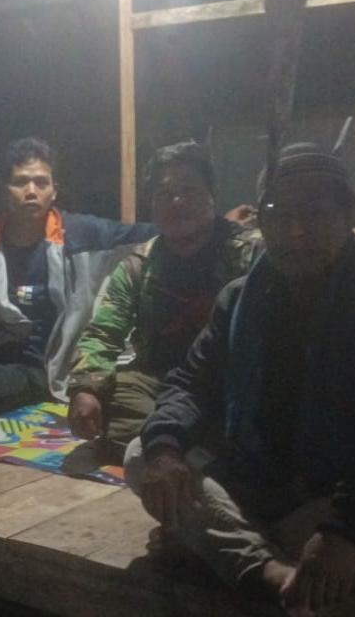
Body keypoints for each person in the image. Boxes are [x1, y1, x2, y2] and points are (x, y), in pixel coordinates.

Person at [125, 143, 355, 617]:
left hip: (338, 495)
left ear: (348, 216)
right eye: (278, 214)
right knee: (142, 455)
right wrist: (165, 449)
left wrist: (344, 531)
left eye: (314, 213)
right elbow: (190, 383)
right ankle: (268, 572)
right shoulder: (239, 299)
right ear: (262, 221)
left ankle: (222, 547)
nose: (295, 231)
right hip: (254, 478)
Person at [0, 138, 155, 413]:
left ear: (54, 191)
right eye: (21, 182)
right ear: (5, 191)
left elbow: (150, 232)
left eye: (41, 182)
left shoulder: (83, 235)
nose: (31, 191)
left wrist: (201, 221)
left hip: (48, 365)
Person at [65, 142, 259, 462]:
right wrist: (86, 387)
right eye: (165, 194)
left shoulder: (251, 256)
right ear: (152, 206)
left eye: (188, 190)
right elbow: (103, 333)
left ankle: (173, 444)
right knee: (111, 403)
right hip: (158, 380)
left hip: (230, 382)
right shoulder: (138, 264)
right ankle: (191, 445)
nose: (177, 202)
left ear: (212, 195)